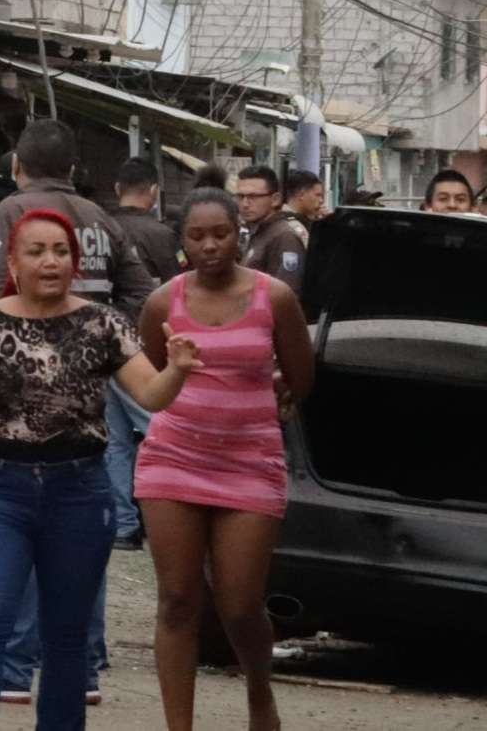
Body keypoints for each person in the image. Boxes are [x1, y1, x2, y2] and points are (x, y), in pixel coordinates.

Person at [0, 209, 201, 731]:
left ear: (75, 262)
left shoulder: (103, 323)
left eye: (62, 252)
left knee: (66, 634)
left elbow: (152, 395)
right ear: (13, 263)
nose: (51, 262)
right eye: (37, 251)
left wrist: (176, 369)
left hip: (80, 495)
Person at [0, 121, 157, 707]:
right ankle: (86, 664)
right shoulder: (101, 218)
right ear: (74, 169)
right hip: (95, 380)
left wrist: (35, 341)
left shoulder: (14, 212)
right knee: (82, 548)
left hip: (29, 397)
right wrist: (105, 342)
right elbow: (140, 290)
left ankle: (16, 666)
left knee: (28, 545)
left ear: (17, 167)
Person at [136, 189, 316, 731]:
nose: (210, 246)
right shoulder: (162, 303)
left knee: (238, 603)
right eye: (197, 236)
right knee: (177, 599)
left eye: (221, 233)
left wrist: (278, 389)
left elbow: (301, 377)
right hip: (173, 458)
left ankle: (260, 693)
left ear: (239, 233)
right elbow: (151, 380)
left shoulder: (274, 297)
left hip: (249, 462)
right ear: (182, 242)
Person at [104, 158, 179, 550]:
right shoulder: (162, 234)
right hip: (144, 347)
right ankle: (177, 512)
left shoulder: (102, 227)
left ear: (118, 189)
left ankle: (124, 525)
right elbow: (176, 288)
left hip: (103, 343)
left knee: (115, 440)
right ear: (153, 191)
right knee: (160, 430)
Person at [235, 164, 307, 281]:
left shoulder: (284, 237)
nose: (245, 204)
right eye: (240, 196)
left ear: (275, 199)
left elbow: (288, 287)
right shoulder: (258, 231)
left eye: (253, 196)